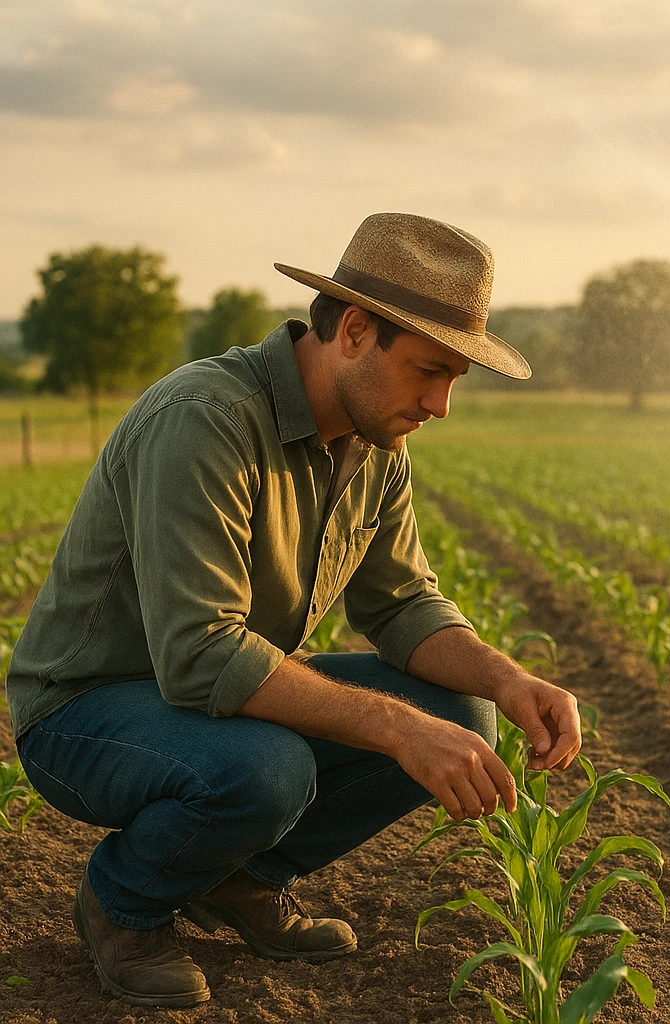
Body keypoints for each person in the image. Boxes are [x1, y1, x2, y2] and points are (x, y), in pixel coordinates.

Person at [5, 212, 582, 1009]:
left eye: (455, 378)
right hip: (86, 709)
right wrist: (398, 729)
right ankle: (123, 903)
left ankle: (236, 878)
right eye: (428, 370)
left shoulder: (376, 447)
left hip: (209, 703)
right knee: (270, 768)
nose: (441, 404)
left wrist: (508, 679)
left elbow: (403, 605)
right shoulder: (205, 418)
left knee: (461, 712)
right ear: (354, 331)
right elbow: (201, 653)